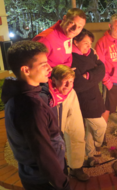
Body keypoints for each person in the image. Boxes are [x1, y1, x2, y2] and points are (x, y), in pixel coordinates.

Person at [1, 41, 70, 190]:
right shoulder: (30, 107)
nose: (49, 68)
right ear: (26, 70)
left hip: (31, 174)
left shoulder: (17, 94)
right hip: (44, 181)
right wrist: (63, 184)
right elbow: (43, 152)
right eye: (43, 64)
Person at [40, 65, 89, 181]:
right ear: (54, 80)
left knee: (77, 132)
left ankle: (76, 167)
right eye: (65, 81)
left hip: (69, 99)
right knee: (55, 138)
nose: (68, 85)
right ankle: (59, 168)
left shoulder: (70, 91)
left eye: (71, 81)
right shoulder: (45, 95)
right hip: (55, 101)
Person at [72, 29, 107, 165]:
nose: (89, 46)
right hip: (84, 99)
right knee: (100, 125)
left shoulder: (90, 53)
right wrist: (95, 75)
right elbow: (78, 84)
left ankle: (90, 154)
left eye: (90, 43)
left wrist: (89, 76)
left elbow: (102, 68)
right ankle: (98, 144)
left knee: (90, 128)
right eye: (85, 43)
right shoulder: (72, 58)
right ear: (75, 41)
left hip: (94, 94)